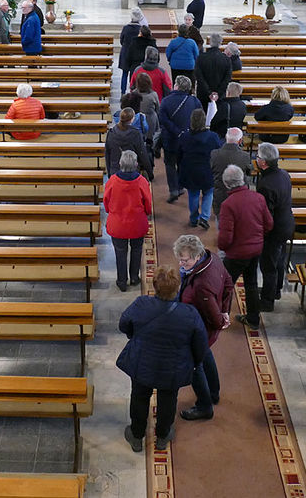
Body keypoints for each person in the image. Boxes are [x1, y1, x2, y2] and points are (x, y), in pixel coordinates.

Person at [117, 265, 208, 452]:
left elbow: (124, 324)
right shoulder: (189, 314)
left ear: (155, 286)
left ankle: (136, 435)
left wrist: (136, 337)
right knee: (168, 401)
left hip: (142, 362)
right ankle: (163, 435)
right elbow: (200, 344)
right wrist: (194, 363)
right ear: (177, 288)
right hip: (173, 367)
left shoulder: (141, 304)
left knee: (139, 398)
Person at [174, 234, 233, 421]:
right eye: (180, 259)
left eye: (184, 260)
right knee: (206, 355)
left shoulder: (201, 285)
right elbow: (229, 283)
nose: (181, 264)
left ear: (197, 256)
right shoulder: (213, 258)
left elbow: (213, 318)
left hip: (199, 330)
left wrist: (222, 319)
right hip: (203, 329)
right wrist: (225, 310)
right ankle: (214, 392)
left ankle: (205, 406)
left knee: (195, 366)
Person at [218, 165, 273, 329]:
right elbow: (269, 224)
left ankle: (222, 318)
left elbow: (226, 237)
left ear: (227, 184)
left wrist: (223, 247)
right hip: (255, 249)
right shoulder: (258, 198)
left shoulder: (228, 204)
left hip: (237, 253)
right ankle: (253, 319)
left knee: (226, 287)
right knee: (251, 284)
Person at [254, 143, 294, 313]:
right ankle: (276, 290)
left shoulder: (265, 184)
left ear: (264, 163)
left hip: (274, 228)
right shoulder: (284, 174)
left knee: (268, 265)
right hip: (287, 224)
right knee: (279, 261)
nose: (255, 159)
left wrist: (261, 232)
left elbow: (266, 214)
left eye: (257, 157)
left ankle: (267, 301)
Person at [104, 150, 153, 291]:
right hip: (137, 223)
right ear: (136, 164)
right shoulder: (141, 182)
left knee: (120, 252)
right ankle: (134, 277)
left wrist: (110, 211)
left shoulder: (112, 181)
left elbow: (106, 202)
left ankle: (121, 281)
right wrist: (147, 213)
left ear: (120, 164)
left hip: (118, 224)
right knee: (137, 250)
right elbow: (148, 204)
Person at [159, 76, 203, 204]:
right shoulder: (194, 101)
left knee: (170, 163)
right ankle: (180, 186)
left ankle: (173, 189)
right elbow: (199, 118)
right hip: (188, 138)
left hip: (170, 139)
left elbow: (163, 119)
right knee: (183, 163)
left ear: (176, 86)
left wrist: (176, 132)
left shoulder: (166, 101)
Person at [178, 108, 222, 229]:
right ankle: (204, 217)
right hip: (208, 170)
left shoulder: (185, 136)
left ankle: (193, 218)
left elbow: (179, 154)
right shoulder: (213, 136)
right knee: (209, 193)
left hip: (190, 170)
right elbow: (218, 151)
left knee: (193, 195)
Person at [210, 127, 254, 217]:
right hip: (239, 197)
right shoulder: (245, 156)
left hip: (220, 196)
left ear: (226, 138)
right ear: (240, 141)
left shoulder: (214, 154)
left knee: (221, 223)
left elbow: (211, 170)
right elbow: (250, 172)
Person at [105, 107, 152, 178]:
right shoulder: (135, 134)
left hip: (115, 171)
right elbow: (142, 154)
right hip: (132, 172)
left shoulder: (111, 133)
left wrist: (109, 172)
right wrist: (150, 172)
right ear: (132, 119)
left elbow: (107, 154)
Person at [194, 33, 233, 109]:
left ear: (210, 42)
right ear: (220, 43)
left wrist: (209, 92)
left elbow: (199, 77)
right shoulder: (226, 59)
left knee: (203, 118)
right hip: (219, 96)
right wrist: (218, 93)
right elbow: (227, 79)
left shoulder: (201, 58)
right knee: (218, 118)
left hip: (203, 94)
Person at [134, 72, 161, 153]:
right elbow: (158, 109)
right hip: (150, 121)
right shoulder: (153, 95)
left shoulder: (134, 94)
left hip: (138, 121)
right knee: (150, 141)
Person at [118, 9, 143, 94]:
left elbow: (121, 40)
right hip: (135, 55)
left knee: (124, 74)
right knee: (134, 75)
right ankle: (133, 92)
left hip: (125, 53)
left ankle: (122, 92)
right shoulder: (140, 29)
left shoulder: (126, 28)